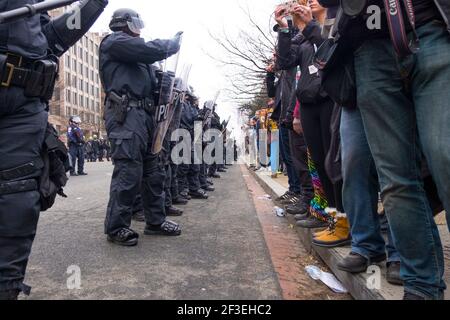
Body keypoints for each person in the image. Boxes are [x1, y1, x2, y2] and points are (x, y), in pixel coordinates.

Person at [319, 0, 450, 300]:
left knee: (445, 157)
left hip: (433, 27)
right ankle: (421, 287)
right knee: (395, 181)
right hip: (369, 48)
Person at [0, 0, 108, 300]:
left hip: (23, 103)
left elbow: (49, 39)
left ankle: (6, 287)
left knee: (18, 195)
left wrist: (95, 4)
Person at [101, 8, 183, 246]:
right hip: (126, 114)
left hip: (145, 114)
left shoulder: (133, 52)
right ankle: (116, 227)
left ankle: (155, 221)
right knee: (129, 172)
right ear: (126, 23)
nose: (140, 29)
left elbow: (151, 73)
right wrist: (171, 44)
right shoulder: (115, 42)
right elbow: (149, 49)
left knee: (153, 170)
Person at [276, 0, 346, 231]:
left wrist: (308, 25)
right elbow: (286, 61)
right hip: (307, 103)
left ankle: (342, 216)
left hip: (330, 99)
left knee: (333, 161)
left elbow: (332, 51)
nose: (311, 1)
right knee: (316, 160)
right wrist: (285, 28)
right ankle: (327, 214)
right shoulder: (303, 36)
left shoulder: (335, 24)